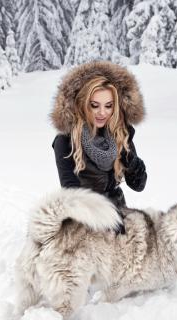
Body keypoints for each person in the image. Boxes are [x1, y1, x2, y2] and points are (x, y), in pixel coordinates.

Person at [50, 61, 147, 213]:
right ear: (83, 104)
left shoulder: (120, 134)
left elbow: (138, 185)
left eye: (108, 106)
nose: (102, 112)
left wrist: (132, 163)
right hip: (86, 218)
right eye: (95, 105)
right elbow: (73, 196)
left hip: (119, 212)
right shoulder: (65, 141)